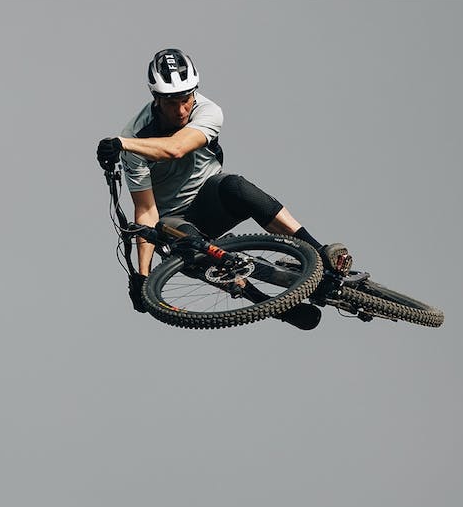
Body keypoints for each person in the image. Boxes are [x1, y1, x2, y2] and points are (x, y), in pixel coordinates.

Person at [96, 48, 350, 329]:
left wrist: (121, 143)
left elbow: (177, 148)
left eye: (186, 99)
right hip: (173, 220)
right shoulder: (136, 135)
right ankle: (273, 306)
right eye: (171, 103)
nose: (181, 110)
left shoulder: (207, 111)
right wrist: (143, 277)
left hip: (210, 197)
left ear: (195, 92)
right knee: (191, 249)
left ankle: (319, 252)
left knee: (236, 186)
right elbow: (145, 210)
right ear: (156, 99)